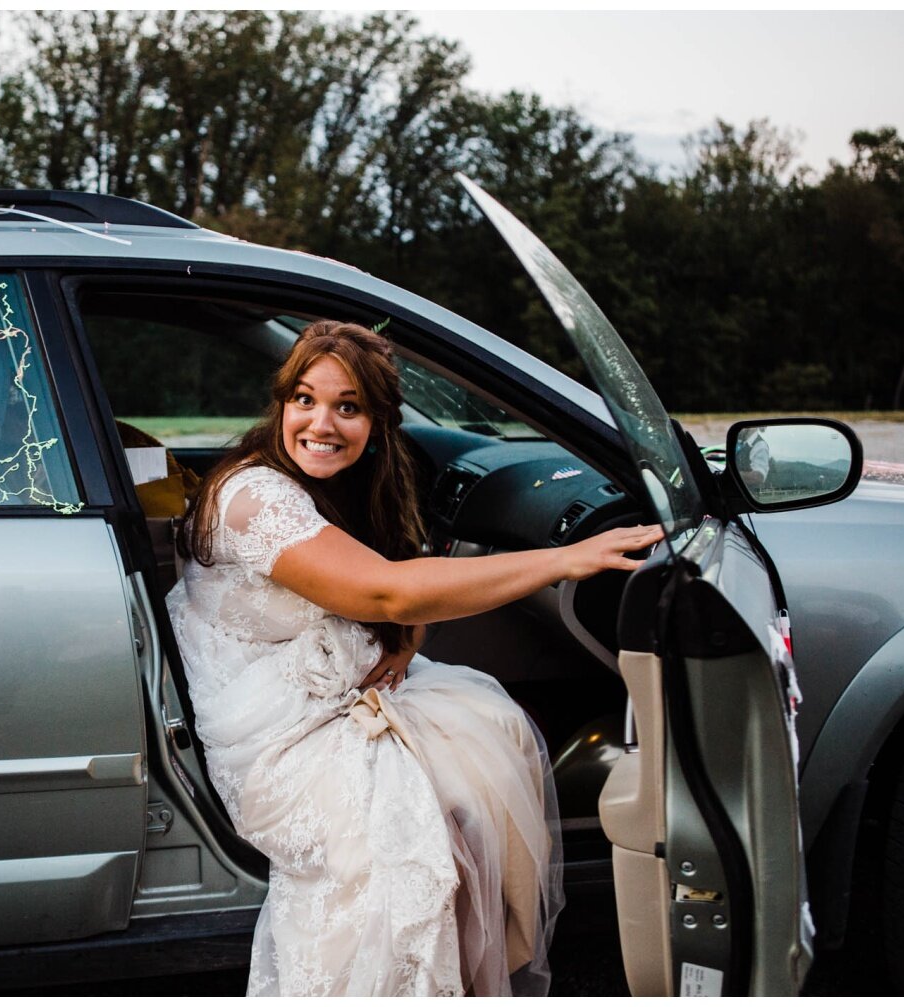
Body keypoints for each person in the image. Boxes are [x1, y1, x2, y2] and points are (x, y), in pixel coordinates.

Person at [166, 320, 663, 996]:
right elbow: (386, 590)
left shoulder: (357, 484)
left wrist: (403, 637)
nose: (321, 422)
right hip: (273, 737)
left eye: (348, 406)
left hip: (332, 694)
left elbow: (395, 594)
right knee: (413, 847)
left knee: (485, 762)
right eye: (304, 399)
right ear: (280, 404)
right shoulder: (256, 498)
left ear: (376, 421)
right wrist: (564, 559)